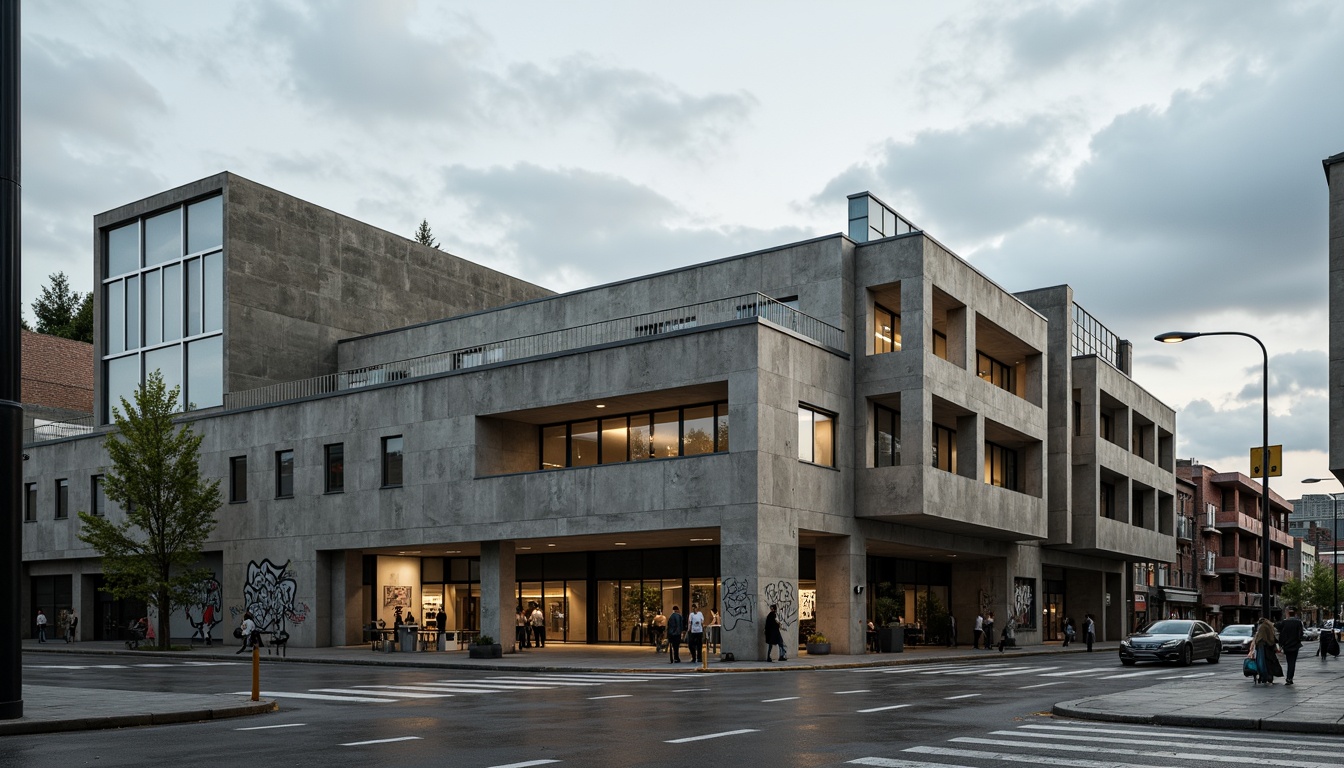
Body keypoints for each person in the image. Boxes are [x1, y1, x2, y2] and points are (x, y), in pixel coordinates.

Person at [1276, 607, 1305, 685]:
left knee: (1289, 661)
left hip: (1286, 645)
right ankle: (1289, 678)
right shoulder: (1298, 622)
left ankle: (1289, 677)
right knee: (1292, 662)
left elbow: (1278, 629)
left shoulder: (1284, 622)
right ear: (1295, 614)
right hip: (1295, 645)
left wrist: (1281, 643)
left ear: (1288, 614)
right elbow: (1301, 633)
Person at [1252, 617, 1283, 685]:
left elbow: (1261, 638)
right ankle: (1269, 676)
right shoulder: (1269, 626)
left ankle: (1264, 676)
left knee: (1262, 662)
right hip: (1269, 646)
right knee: (1269, 662)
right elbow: (1273, 637)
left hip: (1262, 646)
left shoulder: (1263, 627)